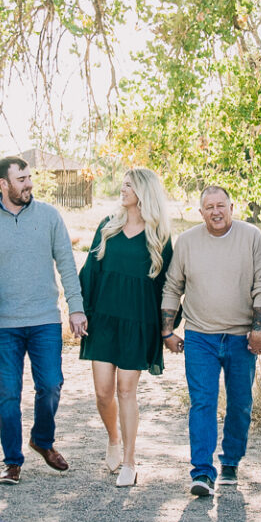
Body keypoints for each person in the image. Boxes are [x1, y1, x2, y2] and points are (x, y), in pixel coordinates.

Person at [0, 156, 86, 485]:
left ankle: (42, 439)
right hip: (3, 324)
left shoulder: (50, 216)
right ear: (3, 184)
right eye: (21, 179)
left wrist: (76, 307)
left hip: (44, 320)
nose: (29, 184)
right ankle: (12, 461)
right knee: (7, 393)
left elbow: (66, 263)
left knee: (51, 385)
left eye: (29, 177)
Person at [161, 185, 261, 497]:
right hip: (200, 337)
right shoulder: (187, 242)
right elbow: (173, 286)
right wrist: (167, 331)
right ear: (201, 212)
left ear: (232, 207)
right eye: (209, 207)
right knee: (203, 402)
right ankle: (201, 472)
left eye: (221, 205)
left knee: (240, 404)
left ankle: (231, 463)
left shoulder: (251, 236)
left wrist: (258, 329)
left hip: (241, 337)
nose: (216, 212)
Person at [78, 167, 173, 487]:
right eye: (123, 184)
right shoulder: (108, 227)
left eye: (129, 185)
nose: (123, 189)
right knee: (103, 393)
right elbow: (91, 270)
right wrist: (81, 312)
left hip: (138, 322)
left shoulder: (159, 235)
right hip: (104, 319)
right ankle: (113, 440)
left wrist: (165, 328)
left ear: (144, 191)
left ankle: (130, 462)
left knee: (126, 390)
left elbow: (168, 287)